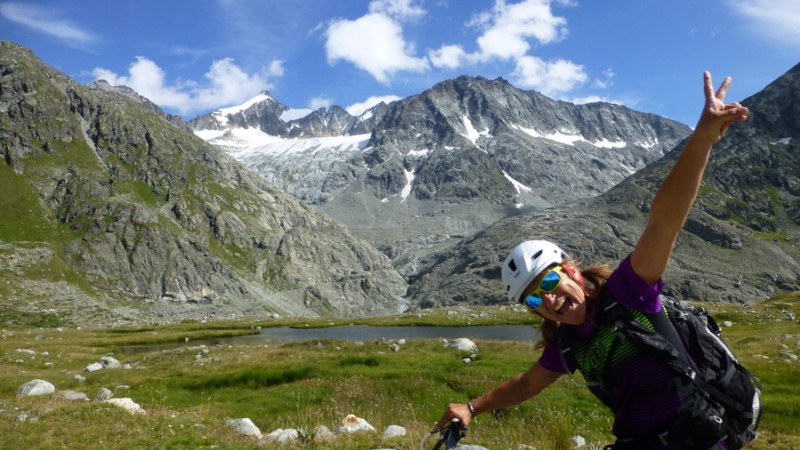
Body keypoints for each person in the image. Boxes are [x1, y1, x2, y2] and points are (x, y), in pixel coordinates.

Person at [433, 71, 750, 449]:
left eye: (549, 283)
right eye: (535, 298)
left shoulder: (631, 293)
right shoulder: (570, 343)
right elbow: (528, 384)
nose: (549, 299)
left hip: (701, 438)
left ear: (571, 270)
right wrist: (471, 406)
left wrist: (701, 139)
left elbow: (664, 220)